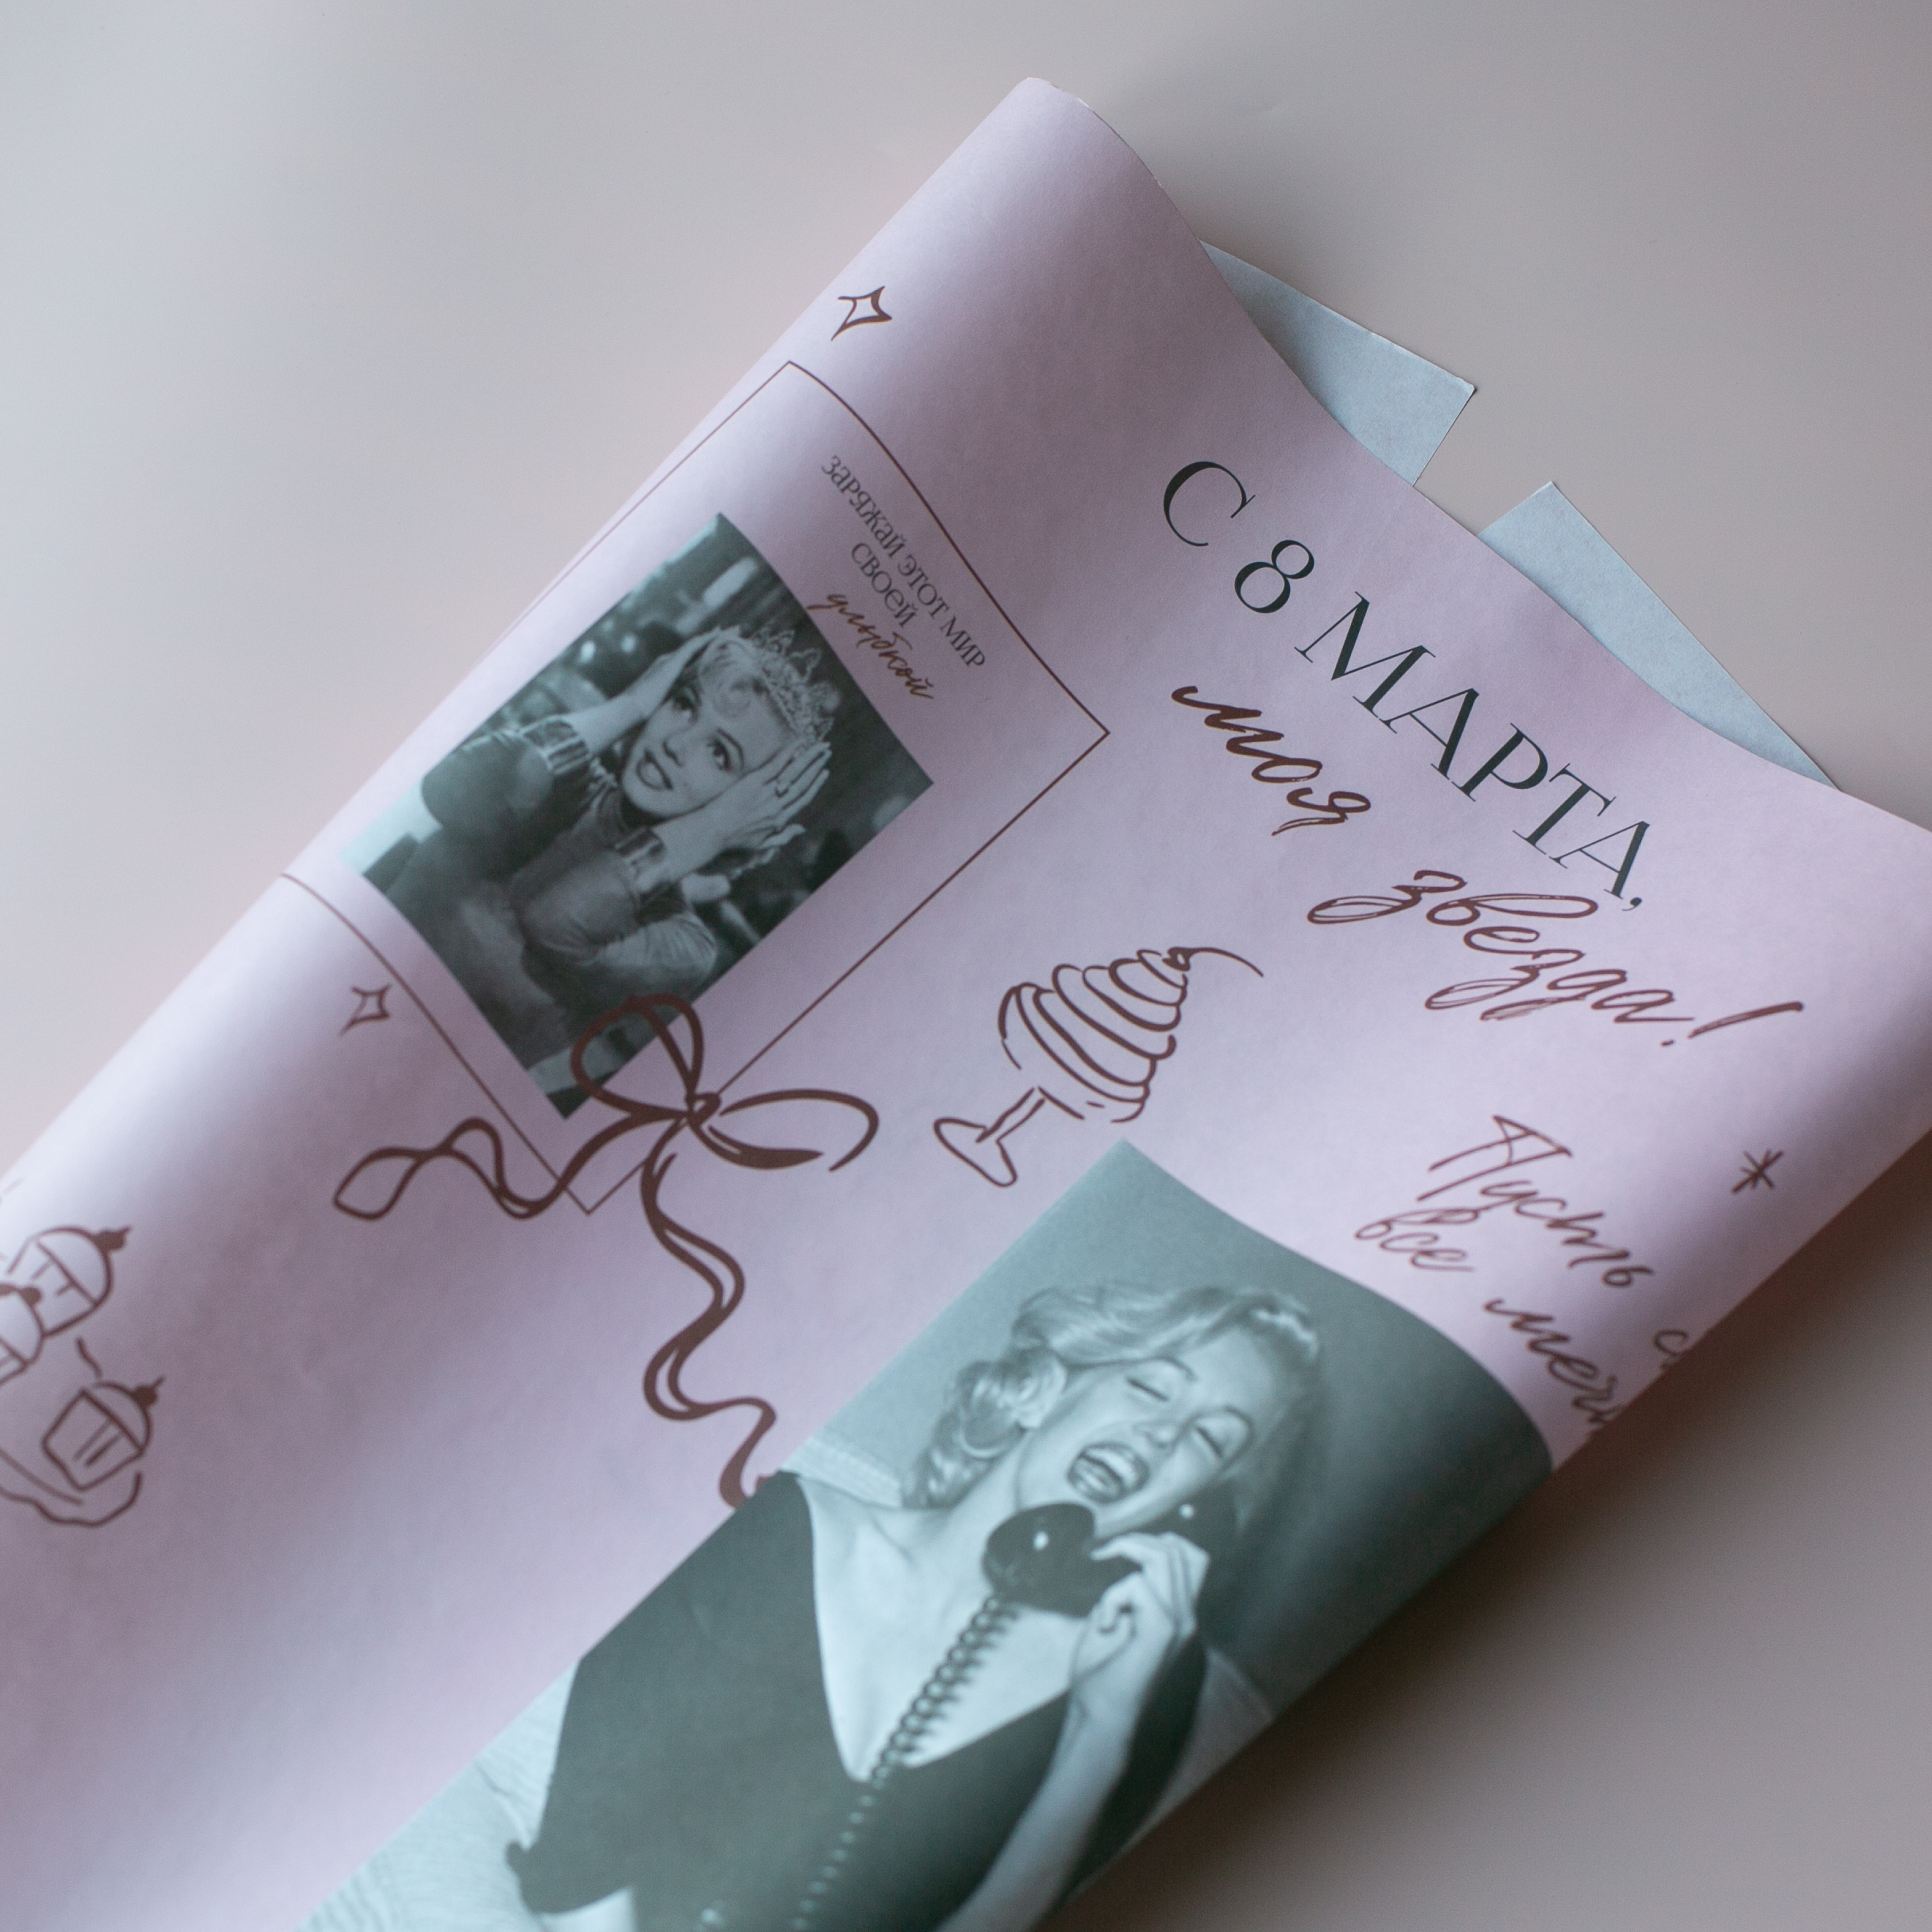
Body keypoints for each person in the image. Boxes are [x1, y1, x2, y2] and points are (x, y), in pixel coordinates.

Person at [498, 1278, 1322, 1932]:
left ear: (1191, 1509)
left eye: (1210, 1440)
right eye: (1150, 1386)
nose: (1163, 1437)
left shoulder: (1140, 1688)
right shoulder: (766, 1529)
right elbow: (577, 1872)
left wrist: (1100, 1735)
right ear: (1040, 1390)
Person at [380, 628, 836, 1083]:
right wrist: (630, 706)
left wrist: (714, 829)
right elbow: (446, 788)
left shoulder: (685, 944)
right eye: (684, 704)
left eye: (719, 754)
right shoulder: (568, 779)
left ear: (752, 811)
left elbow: (556, 922)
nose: (676, 744)